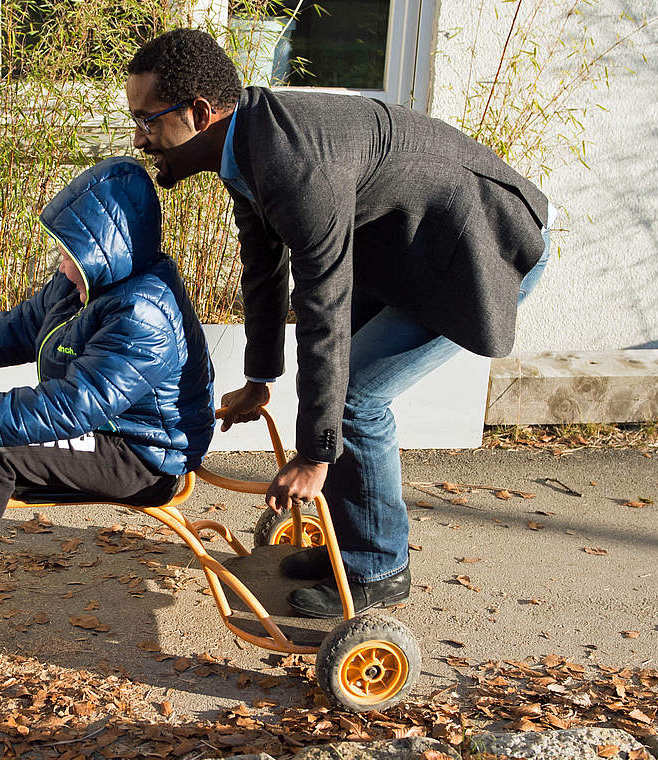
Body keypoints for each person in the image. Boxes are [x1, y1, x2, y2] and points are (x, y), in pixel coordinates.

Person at [124, 29, 555, 619]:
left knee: (355, 396)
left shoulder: (295, 163)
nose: (142, 139)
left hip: (482, 252)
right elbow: (264, 268)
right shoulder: (245, 143)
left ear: (199, 114)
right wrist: (259, 377)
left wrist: (314, 453)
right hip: (413, 253)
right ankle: (350, 549)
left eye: (148, 122)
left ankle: (377, 567)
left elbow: (322, 307)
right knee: (343, 388)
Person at [0, 156, 216, 629]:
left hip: (142, 453)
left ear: (108, 250)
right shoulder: (87, 284)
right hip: (104, 427)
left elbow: (75, 404)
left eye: (72, 251)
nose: (63, 261)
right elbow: (26, 325)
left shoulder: (141, 313)